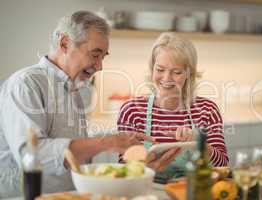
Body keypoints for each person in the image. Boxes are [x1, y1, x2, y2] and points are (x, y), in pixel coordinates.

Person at [0, 11, 177, 198]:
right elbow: (32, 154)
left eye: (103, 57)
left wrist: (134, 160)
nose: (99, 66)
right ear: (65, 43)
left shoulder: (76, 89)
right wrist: (107, 142)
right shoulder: (25, 84)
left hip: (67, 194)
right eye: (95, 55)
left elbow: (79, 151)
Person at [117, 32, 229, 177]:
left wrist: (198, 143)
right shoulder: (132, 111)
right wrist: (143, 163)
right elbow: (123, 170)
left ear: (189, 74)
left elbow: (223, 165)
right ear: (152, 69)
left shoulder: (207, 110)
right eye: (160, 70)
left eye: (176, 72)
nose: (166, 78)